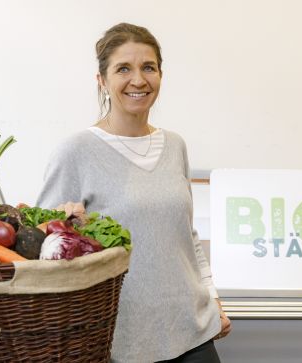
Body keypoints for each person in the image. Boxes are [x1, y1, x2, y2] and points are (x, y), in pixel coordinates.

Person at [36, 22, 231, 362]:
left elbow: (186, 234)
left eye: (148, 68)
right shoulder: (76, 151)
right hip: (116, 340)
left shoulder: (174, 145)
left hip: (192, 329)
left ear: (160, 75)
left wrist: (212, 297)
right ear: (102, 80)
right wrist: (71, 226)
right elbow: (42, 247)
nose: (138, 80)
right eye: (123, 68)